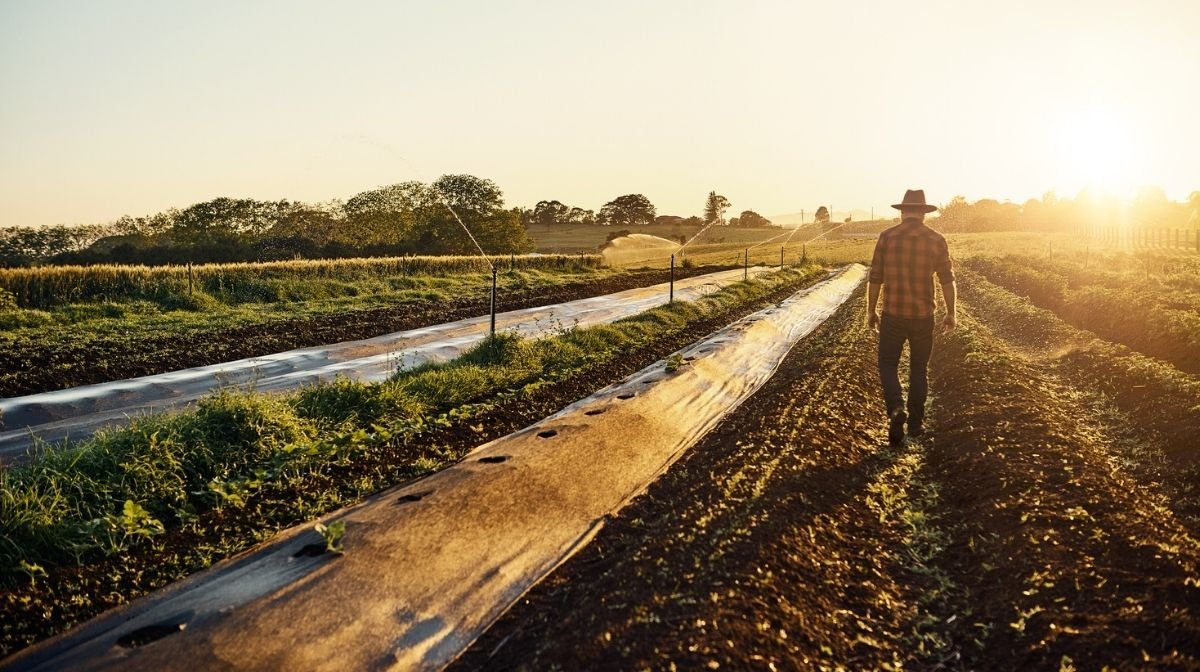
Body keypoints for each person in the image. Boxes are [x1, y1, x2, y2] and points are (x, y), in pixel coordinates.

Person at [866, 189, 957, 446]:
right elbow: (947, 280)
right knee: (919, 368)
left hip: (893, 313)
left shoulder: (887, 237)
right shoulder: (936, 240)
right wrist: (951, 313)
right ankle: (916, 425)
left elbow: (875, 278)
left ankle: (896, 408)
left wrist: (870, 311)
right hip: (923, 316)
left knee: (887, 364)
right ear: (923, 213)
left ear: (903, 211)